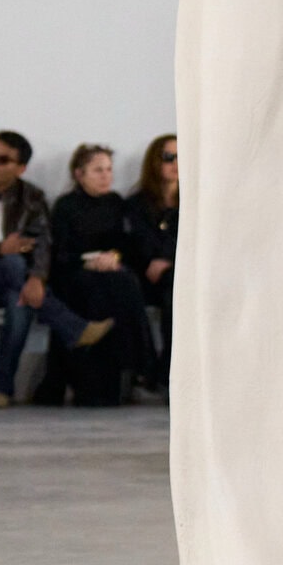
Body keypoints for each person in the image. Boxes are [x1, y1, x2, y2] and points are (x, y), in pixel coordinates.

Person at [0, 130, 105, 407]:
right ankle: (72, 326)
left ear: (21, 168)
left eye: (3, 160)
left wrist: (36, 279)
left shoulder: (32, 197)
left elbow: (43, 244)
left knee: (19, 302)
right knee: (11, 262)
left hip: (17, 284)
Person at [47, 144, 157, 405]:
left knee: (123, 282)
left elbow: (126, 244)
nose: (106, 176)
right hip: (75, 272)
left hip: (110, 269)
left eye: (109, 169)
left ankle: (131, 368)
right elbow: (61, 251)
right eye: (98, 170)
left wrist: (113, 256)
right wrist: (89, 262)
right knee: (104, 289)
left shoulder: (115, 203)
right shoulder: (66, 206)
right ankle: (132, 369)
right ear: (79, 174)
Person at [127, 133, 180, 392]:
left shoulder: (195, 201)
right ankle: (156, 369)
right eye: (169, 157)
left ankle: (168, 370)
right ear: (155, 162)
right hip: (144, 276)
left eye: (181, 156)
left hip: (176, 275)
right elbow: (139, 243)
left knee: (175, 290)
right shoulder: (137, 204)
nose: (176, 163)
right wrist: (158, 259)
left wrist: (168, 260)